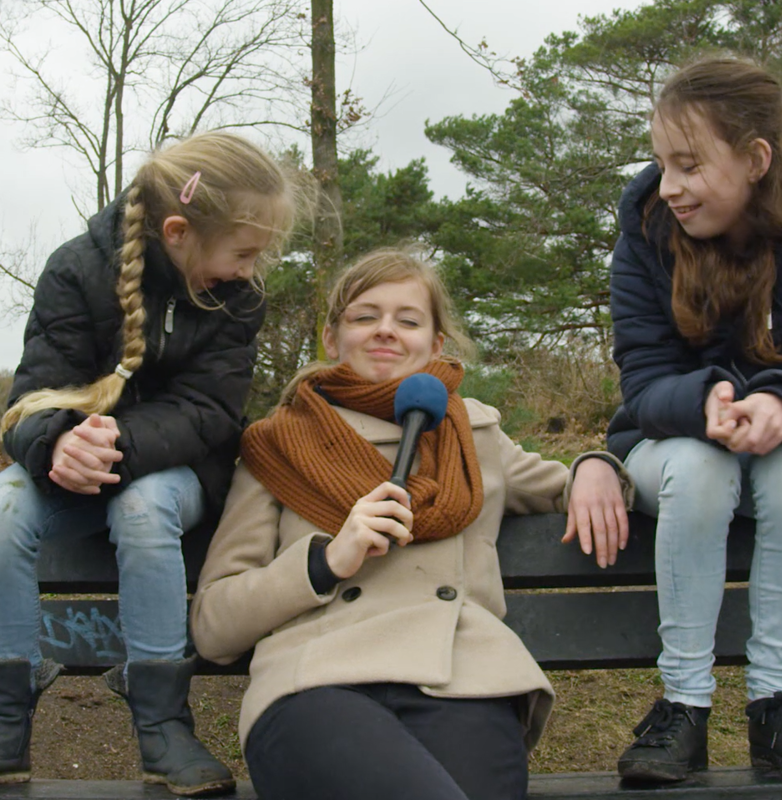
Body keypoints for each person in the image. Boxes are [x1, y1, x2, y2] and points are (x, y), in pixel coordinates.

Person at [190, 247, 633, 800]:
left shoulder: (476, 436)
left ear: (435, 343)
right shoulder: (278, 446)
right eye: (364, 316)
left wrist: (594, 465)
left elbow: (567, 487)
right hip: (316, 685)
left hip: (465, 680)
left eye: (408, 320)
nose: (386, 332)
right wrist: (325, 561)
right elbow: (213, 625)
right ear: (331, 337)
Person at [0, 131, 299, 796]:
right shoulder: (76, 270)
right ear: (179, 231)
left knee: (143, 504)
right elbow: (31, 397)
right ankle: (1, 719)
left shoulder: (236, 298)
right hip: (74, 468)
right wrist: (59, 441)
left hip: (176, 473)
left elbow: (208, 411)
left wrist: (117, 446)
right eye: (245, 251)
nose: (250, 267)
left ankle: (161, 724)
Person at [607, 56, 782, 783]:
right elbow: (643, 382)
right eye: (660, 163)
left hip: (776, 449)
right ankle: (684, 705)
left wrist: (774, 399)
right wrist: (706, 400)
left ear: (755, 160)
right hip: (668, 443)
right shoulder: (646, 229)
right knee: (704, 466)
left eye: (688, 165)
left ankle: (774, 701)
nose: (669, 186)